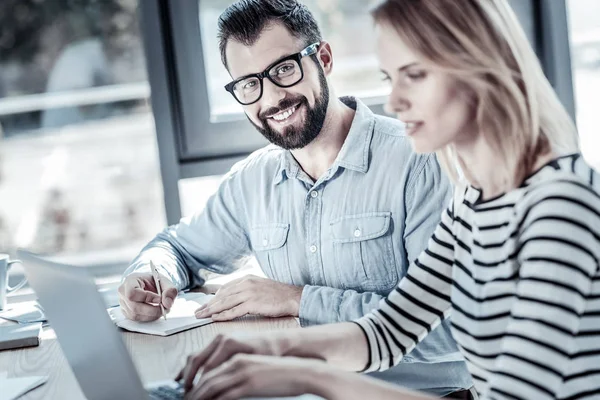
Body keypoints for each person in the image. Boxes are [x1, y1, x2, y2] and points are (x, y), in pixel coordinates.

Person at [176, 0, 600, 399]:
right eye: (388, 78)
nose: (395, 101)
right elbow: (388, 332)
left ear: (477, 69)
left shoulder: (560, 207)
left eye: (413, 75)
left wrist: (304, 374)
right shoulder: (473, 201)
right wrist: (271, 348)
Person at [118, 0, 472, 397]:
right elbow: (177, 247)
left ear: (323, 58)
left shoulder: (420, 162)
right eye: (250, 84)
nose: (271, 99)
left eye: (283, 69)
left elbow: (451, 331)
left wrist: (298, 300)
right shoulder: (255, 179)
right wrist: (152, 275)